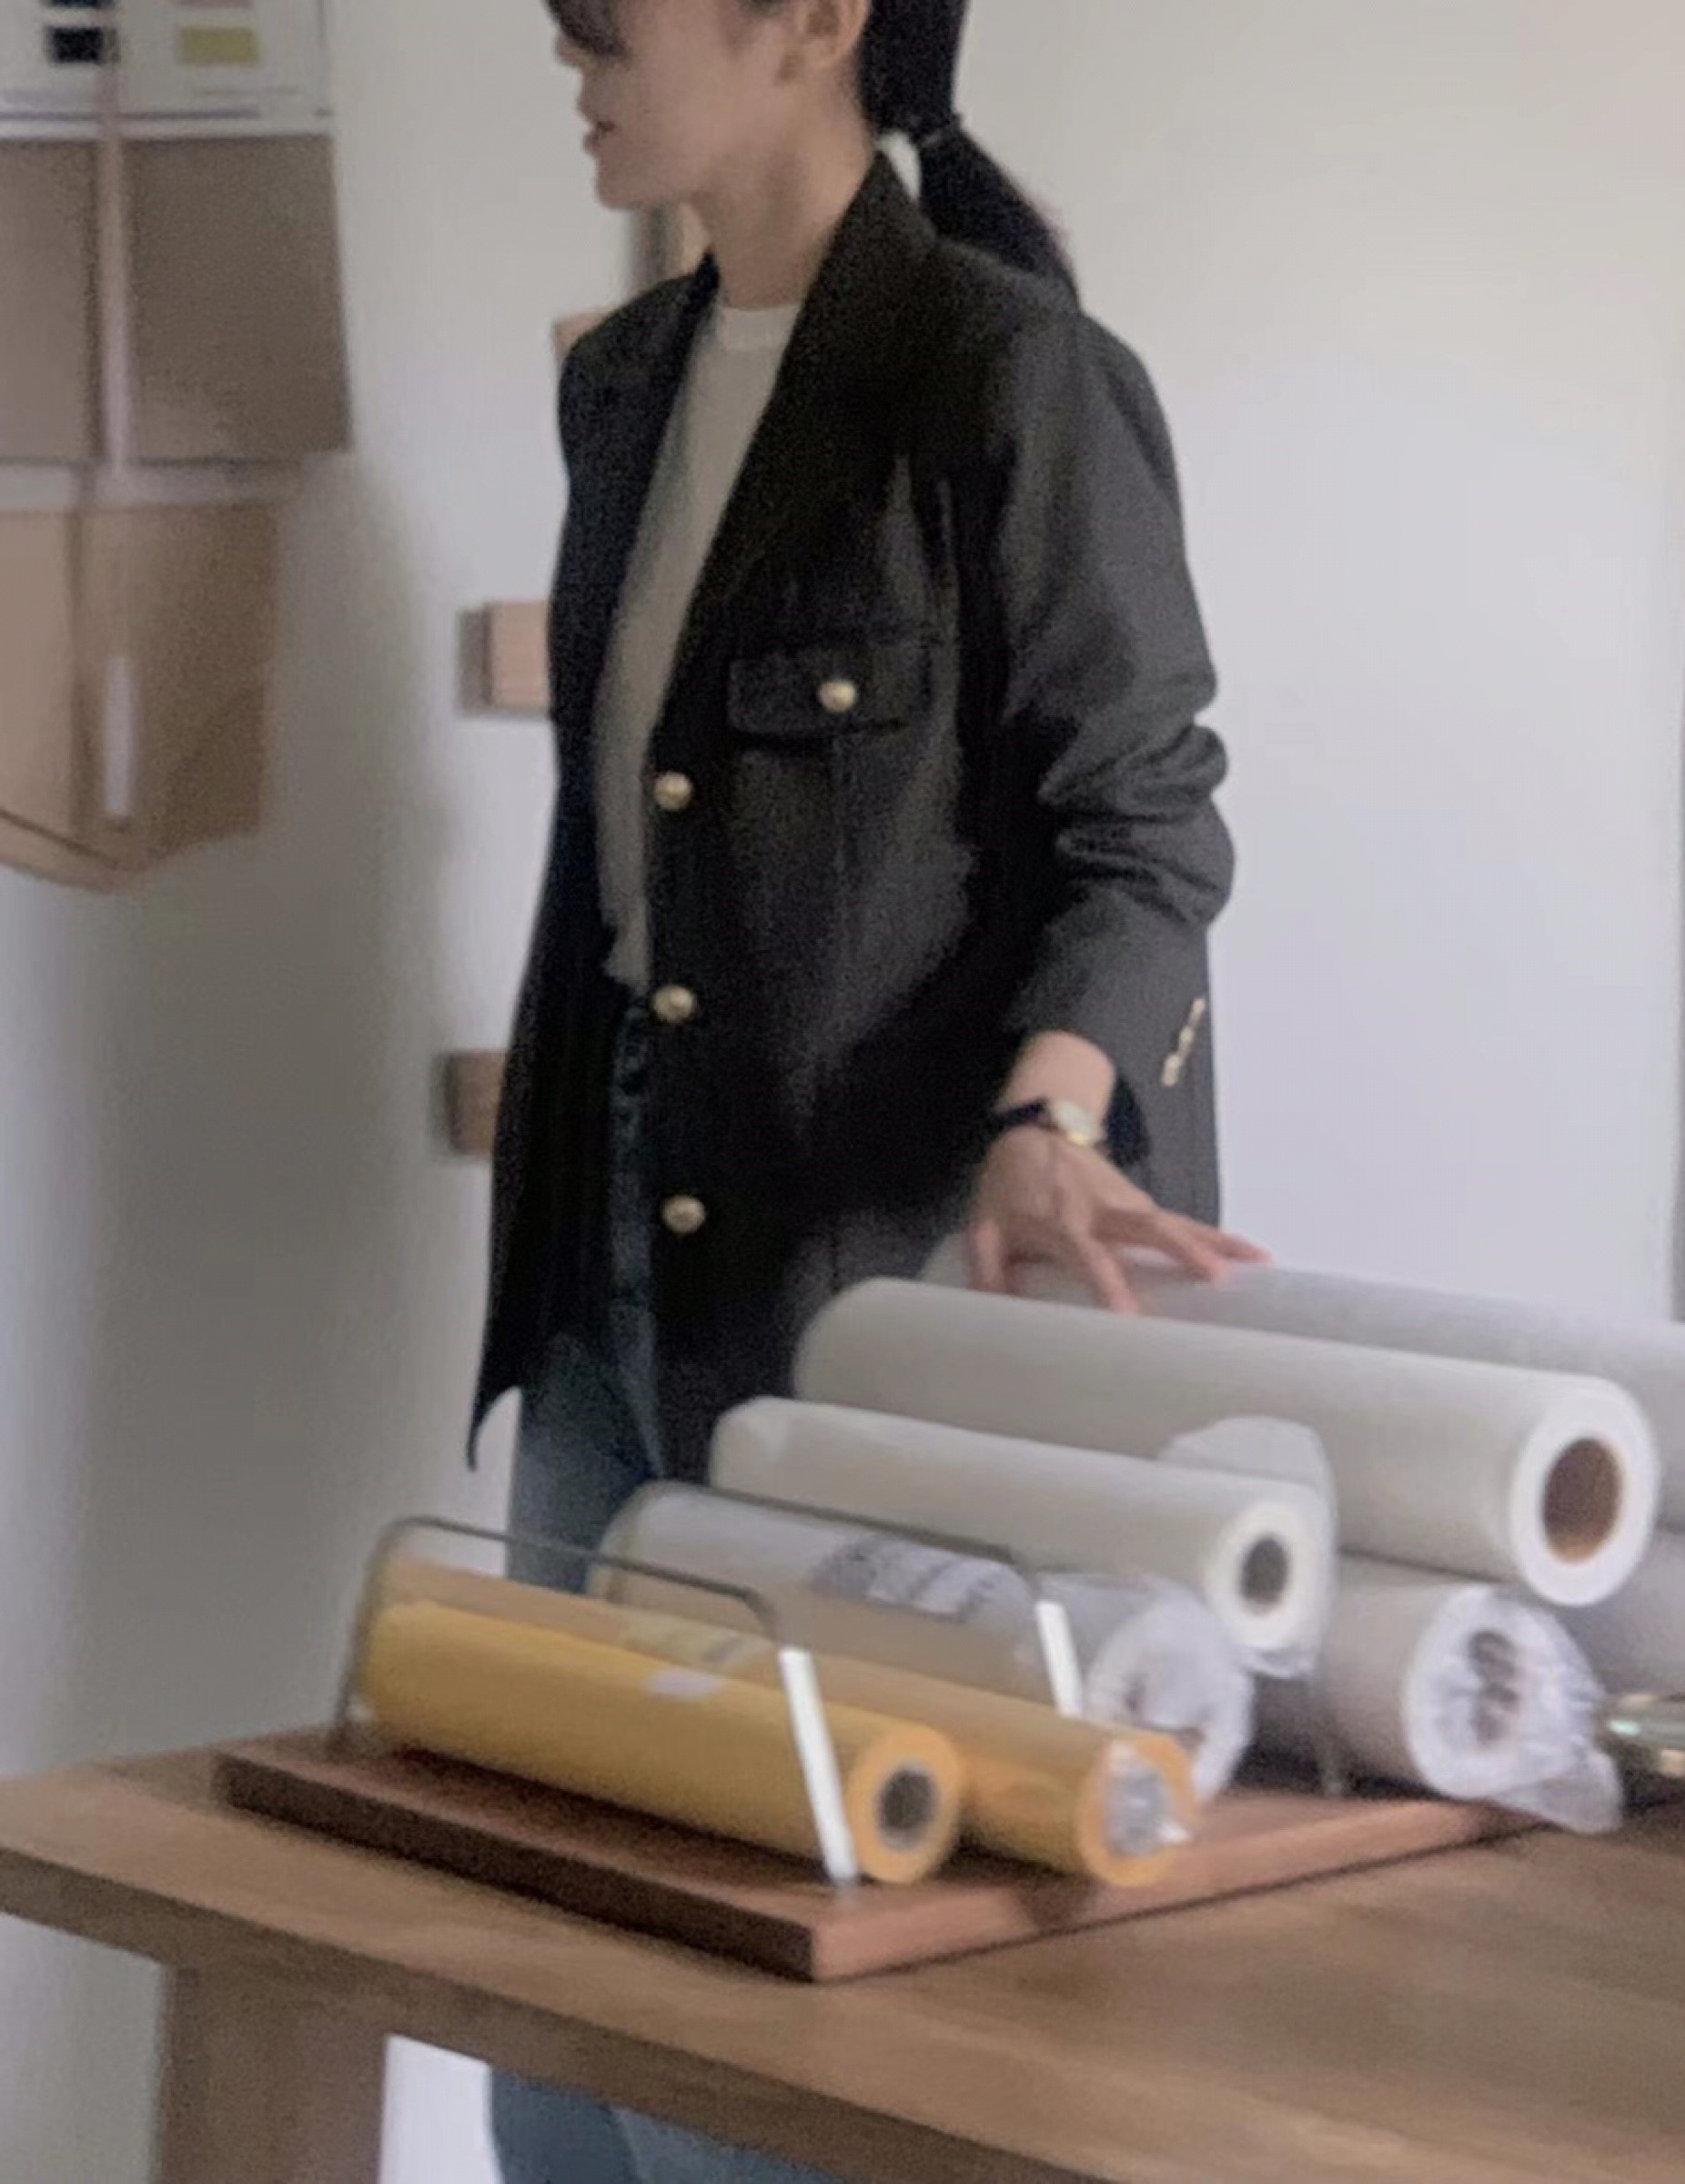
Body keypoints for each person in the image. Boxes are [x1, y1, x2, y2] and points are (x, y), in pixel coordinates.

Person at [477, 1, 1266, 2176]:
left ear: (812, 21)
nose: (572, 54)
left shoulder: (1008, 375)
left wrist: (1049, 1120)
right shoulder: (623, 384)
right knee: (550, 1917)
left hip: (869, 1284)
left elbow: (1147, 831)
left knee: (776, 1955)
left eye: (609, 18)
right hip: (599, 1246)